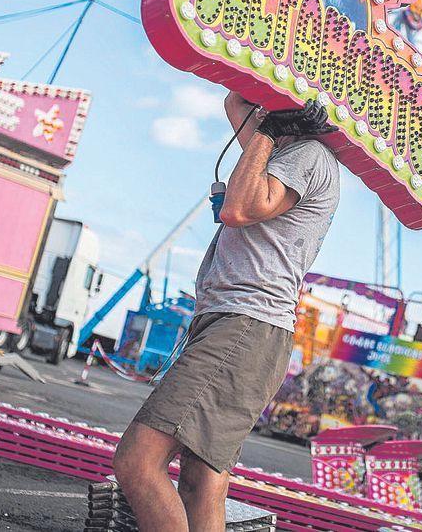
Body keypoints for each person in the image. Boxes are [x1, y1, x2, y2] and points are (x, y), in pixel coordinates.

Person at [111, 91, 341, 531]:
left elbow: (237, 209)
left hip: (245, 326)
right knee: (201, 480)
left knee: (138, 462)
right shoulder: (280, 151)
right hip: (243, 327)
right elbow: (236, 102)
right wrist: (268, 102)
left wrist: (271, 127)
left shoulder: (307, 156)